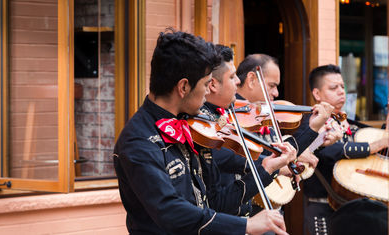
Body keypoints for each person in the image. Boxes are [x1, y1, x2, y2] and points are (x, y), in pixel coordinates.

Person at [113, 30, 288, 235]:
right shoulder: (139, 141)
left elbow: (215, 203)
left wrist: (265, 170)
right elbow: (170, 212)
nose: (208, 92)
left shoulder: (191, 128)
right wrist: (246, 226)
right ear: (184, 87)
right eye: (206, 84)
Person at [201, 45, 297, 217]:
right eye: (232, 77)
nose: (238, 81)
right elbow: (225, 154)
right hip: (228, 217)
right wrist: (269, 164)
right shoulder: (216, 118)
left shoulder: (226, 113)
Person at [298, 64, 389, 235]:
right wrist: (371, 147)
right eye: (333, 87)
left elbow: (380, 139)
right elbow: (330, 151)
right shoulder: (311, 124)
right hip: (323, 206)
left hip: (355, 210)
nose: (341, 91)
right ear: (317, 94)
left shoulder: (351, 124)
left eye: (342, 86)